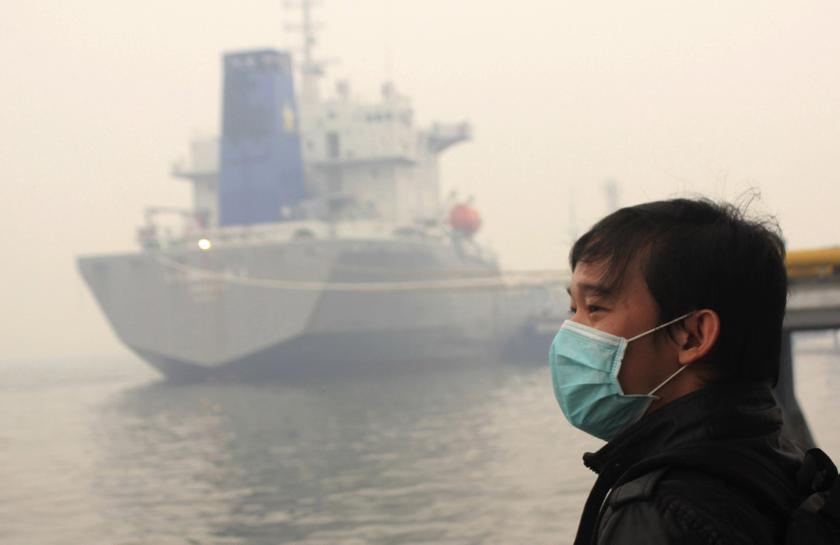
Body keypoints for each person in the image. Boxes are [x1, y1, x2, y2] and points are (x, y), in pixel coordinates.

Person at [549, 198, 803, 544]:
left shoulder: (660, 512)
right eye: (572, 308)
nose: (571, 331)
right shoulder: (779, 461)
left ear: (692, 335)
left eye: (595, 308)